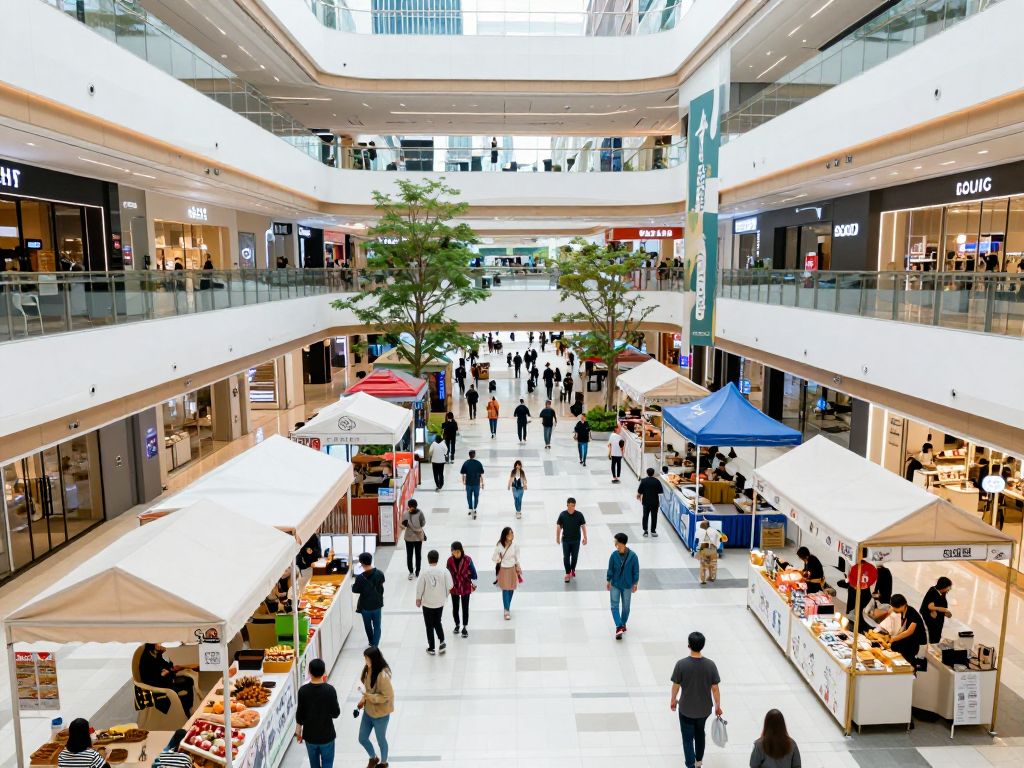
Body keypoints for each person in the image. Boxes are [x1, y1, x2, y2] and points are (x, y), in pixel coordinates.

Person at [670, 631, 723, 768]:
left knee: (687, 739)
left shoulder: (681, 665)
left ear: (689, 645)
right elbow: (715, 688)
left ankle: (690, 765)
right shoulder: (710, 665)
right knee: (700, 734)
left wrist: (673, 699)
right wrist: (717, 706)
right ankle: (698, 761)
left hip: (686, 709)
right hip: (704, 709)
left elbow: (676, 685)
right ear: (703, 646)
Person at [295, 658, 341, 768]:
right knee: (328, 764)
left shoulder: (303, 691)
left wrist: (298, 730)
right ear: (324, 671)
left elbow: (300, 713)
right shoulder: (330, 690)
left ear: (309, 672)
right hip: (327, 736)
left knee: (314, 765)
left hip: (310, 736)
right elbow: (336, 713)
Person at [357, 646, 394, 768]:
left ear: (374, 659)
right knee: (362, 738)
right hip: (368, 712)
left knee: (381, 740)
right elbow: (367, 689)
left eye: (367, 659)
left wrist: (370, 697)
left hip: (381, 715)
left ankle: (383, 763)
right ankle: (373, 758)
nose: (365, 661)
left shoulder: (383, 676)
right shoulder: (368, 669)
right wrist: (363, 699)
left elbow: (387, 696)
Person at [139, 643, 196, 715]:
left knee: (189, 680)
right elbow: (152, 677)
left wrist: (172, 667)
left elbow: (164, 665)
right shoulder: (146, 658)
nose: (160, 644)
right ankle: (185, 711)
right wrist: (166, 672)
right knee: (180, 689)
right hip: (156, 683)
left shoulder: (155, 653)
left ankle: (188, 707)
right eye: (158, 643)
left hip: (165, 678)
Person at [416, 550, 454, 655]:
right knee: (437, 621)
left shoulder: (424, 572)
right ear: (437, 559)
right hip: (439, 602)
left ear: (428, 559)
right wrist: (445, 594)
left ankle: (431, 647)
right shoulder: (444, 571)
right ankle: (442, 641)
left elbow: (419, 587)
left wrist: (418, 598)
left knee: (429, 625)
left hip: (427, 603)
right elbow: (450, 585)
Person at [607, 532, 640, 639]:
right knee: (614, 606)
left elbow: (636, 571)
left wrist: (635, 583)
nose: (614, 542)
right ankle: (619, 626)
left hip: (627, 585)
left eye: (615, 540)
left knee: (626, 607)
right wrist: (608, 580)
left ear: (620, 542)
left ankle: (622, 623)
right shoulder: (613, 555)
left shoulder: (633, 556)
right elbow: (610, 568)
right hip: (615, 584)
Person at [353, 552, 386, 647]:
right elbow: (381, 585)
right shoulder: (379, 573)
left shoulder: (360, 578)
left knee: (367, 626)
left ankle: (371, 642)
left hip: (365, 606)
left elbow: (355, 590)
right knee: (377, 626)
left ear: (361, 563)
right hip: (377, 604)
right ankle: (375, 646)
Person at [447, 541, 478, 638]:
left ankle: (465, 627)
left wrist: (466, 574)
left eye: (458, 552)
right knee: (455, 607)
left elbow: (474, 575)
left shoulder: (468, 560)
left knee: (465, 607)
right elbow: (447, 575)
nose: (456, 554)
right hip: (454, 587)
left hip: (465, 586)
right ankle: (457, 624)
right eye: (454, 552)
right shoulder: (449, 561)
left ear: (461, 550)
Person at [556, 497, 588, 583]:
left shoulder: (579, 515)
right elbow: (559, 527)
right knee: (566, 557)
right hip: (566, 540)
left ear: (575, 506)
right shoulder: (562, 515)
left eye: (572, 506)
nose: (571, 508)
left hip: (576, 540)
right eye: (569, 506)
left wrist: (585, 537)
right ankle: (567, 573)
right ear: (567, 505)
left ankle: (572, 569)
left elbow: (583, 526)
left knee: (574, 556)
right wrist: (557, 538)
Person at [888, 593, 927, 663]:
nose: (894, 609)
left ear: (902, 605)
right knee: (894, 645)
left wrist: (894, 638)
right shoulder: (904, 611)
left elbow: (909, 631)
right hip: (911, 638)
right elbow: (903, 628)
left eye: (895, 608)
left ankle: (909, 668)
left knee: (896, 646)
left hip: (917, 642)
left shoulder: (912, 613)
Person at [493, 527, 522, 620]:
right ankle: (506, 610)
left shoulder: (515, 545)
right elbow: (494, 557)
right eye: (510, 534)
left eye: (512, 533)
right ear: (505, 536)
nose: (512, 535)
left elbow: (517, 557)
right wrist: (498, 559)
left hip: (512, 568)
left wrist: (518, 566)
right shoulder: (499, 545)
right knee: (505, 589)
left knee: (511, 589)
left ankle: (507, 606)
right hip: (504, 569)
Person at [920, 576, 953, 643]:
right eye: (949, 586)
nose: (950, 588)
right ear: (944, 586)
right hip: (931, 619)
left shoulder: (942, 593)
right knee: (934, 636)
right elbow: (930, 607)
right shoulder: (933, 592)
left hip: (938, 620)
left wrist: (945, 612)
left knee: (936, 636)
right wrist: (943, 610)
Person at [401, 499, 426, 581]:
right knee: (413, 554)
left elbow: (403, 525)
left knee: (413, 554)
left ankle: (415, 571)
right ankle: (414, 571)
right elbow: (423, 523)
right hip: (415, 537)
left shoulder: (406, 514)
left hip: (411, 537)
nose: (411, 508)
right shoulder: (420, 513)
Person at [695, 520, 724, 585]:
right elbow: (720, 539)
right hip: (713, 549)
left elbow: (696, 541)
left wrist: (697, 549)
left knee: (703, 565)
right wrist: (717, 547)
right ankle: (712, 577)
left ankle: (703, 579)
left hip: (704, 549)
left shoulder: (700, 531)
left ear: (704, 526)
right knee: (713, 564)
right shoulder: (715, 531)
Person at [637, 467, 663, 537]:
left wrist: (638, 496)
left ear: (647, 473)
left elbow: (639, 492)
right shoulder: (657, 481)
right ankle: (653, 531)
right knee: (654, 516)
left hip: (646, 502)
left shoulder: (644, 481)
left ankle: (645, 531)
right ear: (653, 473)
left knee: (645, 516)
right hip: (655, 502)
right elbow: (660, 492)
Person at [460, 450, 485, 519]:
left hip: (468, 483)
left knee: (469, 496)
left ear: (469, 455)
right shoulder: (478, 463)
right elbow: (481, 474)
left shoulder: (466, 463)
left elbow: (463, 474)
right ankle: (475, 508)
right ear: (474, 455)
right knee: (476, 496)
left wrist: (463, 482)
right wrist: (482, 483)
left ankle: (471, 508)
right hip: (476, 483)